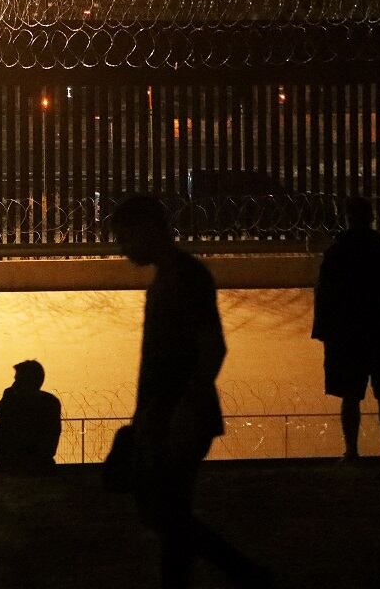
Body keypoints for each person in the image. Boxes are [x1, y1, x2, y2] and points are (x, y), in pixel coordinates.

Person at [112, 195, 271, 588]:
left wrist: (183, 409)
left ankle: (245, 574)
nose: (122, 249)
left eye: (125, 237)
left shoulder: (182, 277)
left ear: (147, 229)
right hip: (171, 414)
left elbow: (211, 346)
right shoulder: (178, 274)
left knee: (164, 512)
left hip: (178, 416)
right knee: (170, 513)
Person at [313, 197, 380, 461]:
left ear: (347, 218)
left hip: (348, 334)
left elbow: (324, 295)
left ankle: (351, 451)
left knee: (349, 396)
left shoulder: (337, 253)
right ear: (372, 217)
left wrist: (324, 331)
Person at [0, 359, 62, 474]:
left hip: (20, 467)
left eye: (18, 380)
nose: (14, 384)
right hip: (32, 465)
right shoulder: (49, 402)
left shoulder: (39, 404)